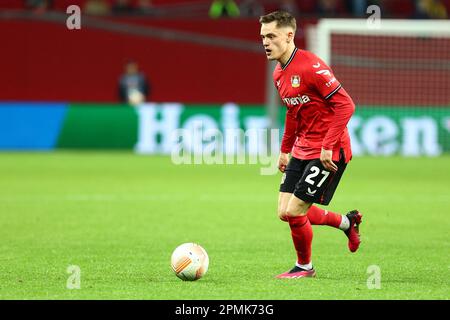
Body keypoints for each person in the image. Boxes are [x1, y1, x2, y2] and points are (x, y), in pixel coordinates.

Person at [259, 11, 362, 279]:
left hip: (329, 151)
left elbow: (346, 105)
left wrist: (328, 145)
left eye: (271, 36)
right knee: (284, 212)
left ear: (289, 35)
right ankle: (346, 222)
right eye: (263, 37)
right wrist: (284, 150)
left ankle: (305, 267)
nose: (265, 42)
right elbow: (293, 112)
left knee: (295, 211)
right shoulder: (279, 73)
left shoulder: (311, 66)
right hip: (303, 149)